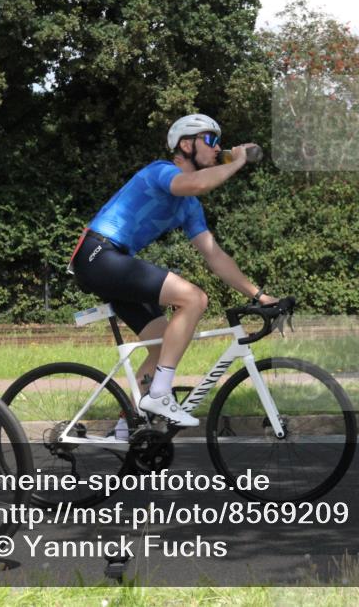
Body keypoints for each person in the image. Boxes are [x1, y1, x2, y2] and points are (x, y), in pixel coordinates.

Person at [70, 114, 277, 427]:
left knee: (162, 342)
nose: (217, 147)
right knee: (193, 298)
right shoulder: (162, 172)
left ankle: (127, 430)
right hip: (99, 253)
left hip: (113, 261)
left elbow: (214, 255)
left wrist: (258, 295)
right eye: (210, 140)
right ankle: (160, 394)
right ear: (186, 144)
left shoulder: (189, 206)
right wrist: (237, 162)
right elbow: (195, 182)